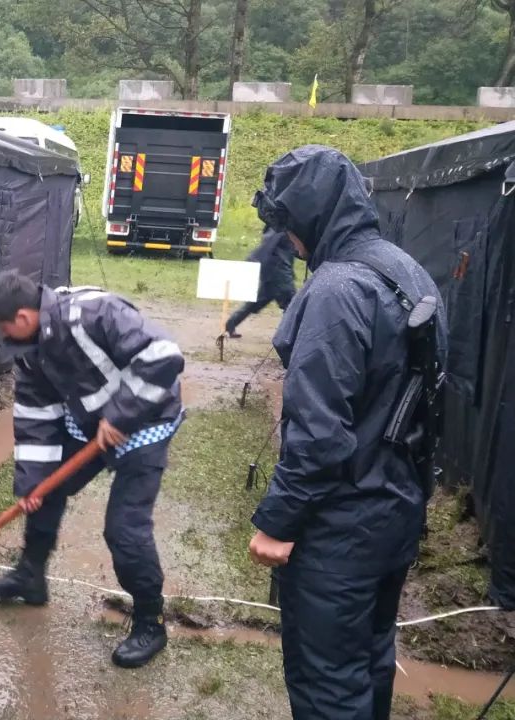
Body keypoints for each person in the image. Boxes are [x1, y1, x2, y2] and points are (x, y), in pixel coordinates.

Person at [247, 145, 445, 720]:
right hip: (397, 516)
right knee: (370, 660)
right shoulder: (406, 270)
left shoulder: (336, 291)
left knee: (328, 685)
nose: (288, 242)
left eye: (289, 226)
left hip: (340, 533)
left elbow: (317, 434)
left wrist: (277, 523)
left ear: (312, 217)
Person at [0, 270, 185, 669]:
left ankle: (150, 621)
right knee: (44, 492)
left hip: (146, 420)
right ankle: (31, 576)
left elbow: (164, 355)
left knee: (124, 529)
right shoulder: (30, 348)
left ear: (21, 318)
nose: (0, 335)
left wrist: (122, 415)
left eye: (1, 326)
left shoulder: (95, 313)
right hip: (92, 423)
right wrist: (32, 483)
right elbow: (35, 415)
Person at [225, 226, 296, 338]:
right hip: (279, 272)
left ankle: (231, 322)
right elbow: (268, 246)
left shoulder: (278, 227)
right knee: (292, 305)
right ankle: (291, 335)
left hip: (273, 271)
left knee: (255, 303)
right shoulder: (281, 228)